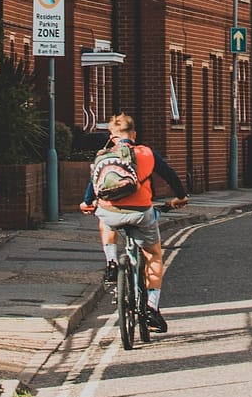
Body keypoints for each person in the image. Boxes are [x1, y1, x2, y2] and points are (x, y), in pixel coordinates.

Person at [79, 114, 187, 333]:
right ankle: (151, 308)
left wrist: (87, 203)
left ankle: (111, 263)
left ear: (111, 136)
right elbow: (170, 176)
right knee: (154, 256)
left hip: (110, 213)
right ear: (134, 134)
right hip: (141, 213)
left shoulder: (103, 155)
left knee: (104, 220)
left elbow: (93, 185)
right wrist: (181, 197)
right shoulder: (146, 153)